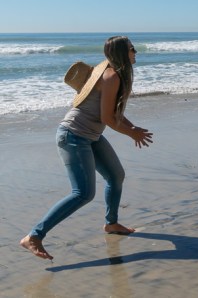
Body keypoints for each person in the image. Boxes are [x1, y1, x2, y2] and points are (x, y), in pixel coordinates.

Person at [20, 36, 154, 260]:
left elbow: (113, 112)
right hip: (73, 136)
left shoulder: (113, 72)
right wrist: (131, 133)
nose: (136, 52)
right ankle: (34, 236)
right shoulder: (111, 76)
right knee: (83, 193)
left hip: (91, 136)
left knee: (115, 175)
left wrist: (132, 127)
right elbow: (107, 119)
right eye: (132, 49)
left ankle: (111, 224)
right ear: (122, 52)